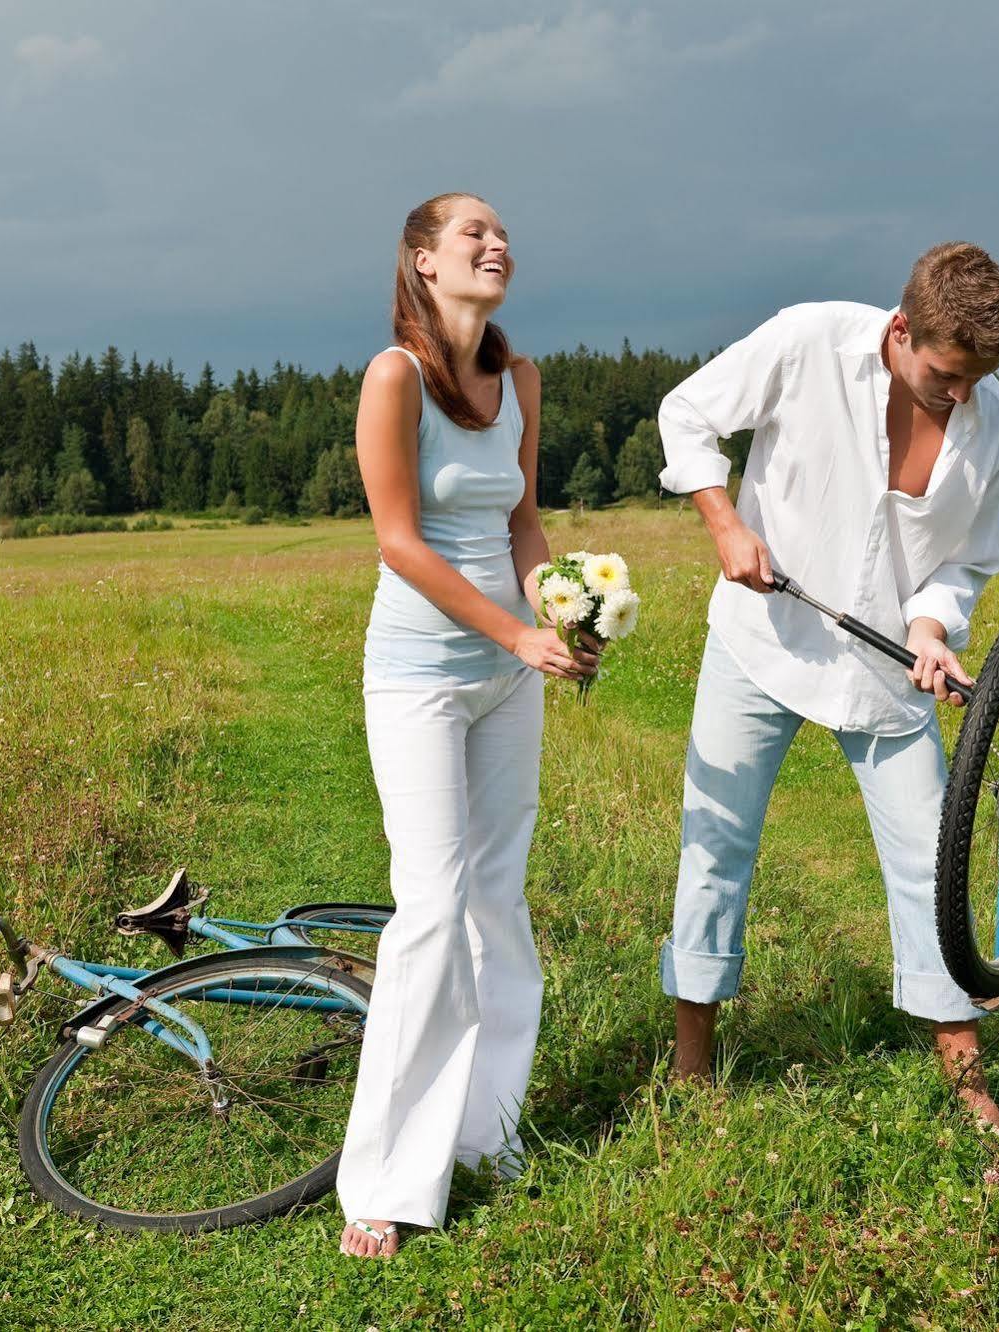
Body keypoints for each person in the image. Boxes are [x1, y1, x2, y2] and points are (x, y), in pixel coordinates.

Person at [656, 242, 999, 1142]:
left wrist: (932, 626)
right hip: (763, 642)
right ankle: (690, 1063)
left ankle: (964, 1072)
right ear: (901, 332)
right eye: (944, 376)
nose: (959, 397)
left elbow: (968, 559)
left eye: (975, 380)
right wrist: (725, 522)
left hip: (882, 673)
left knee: (930, 865)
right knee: (717, 845)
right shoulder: (808, 339)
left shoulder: (995, 422)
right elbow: (687, 415)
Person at [337, 192, 598, 1259]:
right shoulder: (394, 378)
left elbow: (522, 522)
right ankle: (390, 1180)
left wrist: (560, 613)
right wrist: (509, 629)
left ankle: (486, 1136)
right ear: (421, 260)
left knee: (498, 905)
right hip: (419, 679)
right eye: (470, 234)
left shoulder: (520, 378)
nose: (496, 245)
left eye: (502, 233)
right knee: (433, 911)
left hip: (507, 674)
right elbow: (399, 541)